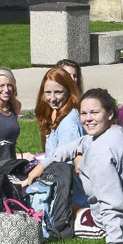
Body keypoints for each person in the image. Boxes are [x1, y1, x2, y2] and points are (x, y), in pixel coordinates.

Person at [24, 89, 123, 244]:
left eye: (94, 112)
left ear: (110, 114)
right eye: (83, 113)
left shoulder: (101, 154)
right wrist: (42, 165)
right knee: (71, 204)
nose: (88, 118)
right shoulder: (120, 132)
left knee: (61, 213)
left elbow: (113, 203)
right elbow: (78, 144)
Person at [34, 66, 88, 207]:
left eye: (58, 92)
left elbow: (66, 165)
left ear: (69, 91)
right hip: (54, 179)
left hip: (69, 195)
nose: (52, 98)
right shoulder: (54, 112)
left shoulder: (69, 123)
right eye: (48, 92)